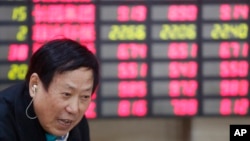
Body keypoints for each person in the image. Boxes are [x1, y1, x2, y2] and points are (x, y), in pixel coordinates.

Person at [0, 38, 99, 141]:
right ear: (35, 85)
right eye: (66, 94)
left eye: (85, 96)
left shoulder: (77, 123)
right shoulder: (3, 122)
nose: (74, 109)